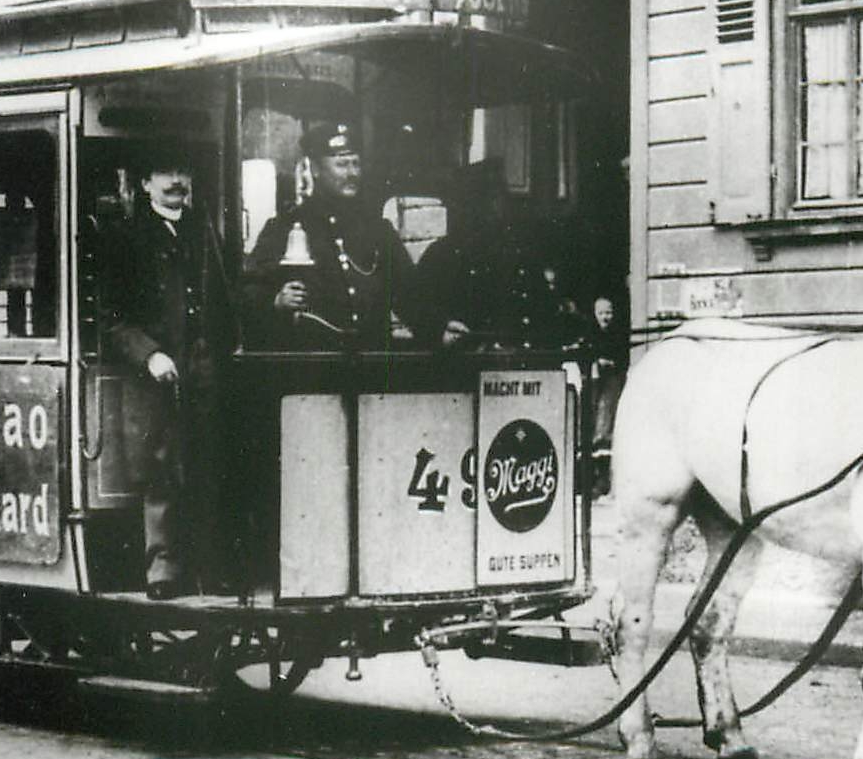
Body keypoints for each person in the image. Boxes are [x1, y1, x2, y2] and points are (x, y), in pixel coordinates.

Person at [102, 152, 233, 599]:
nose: (177, 180)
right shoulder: (125, 238)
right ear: (145, 184)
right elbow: (110, 317)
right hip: (154, 373)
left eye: (183, 171)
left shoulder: (206, 231)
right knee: (161, 467)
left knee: (207, 463)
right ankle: (163, 569)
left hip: (202, 364)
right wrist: (149, 354)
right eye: (166, 172)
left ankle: (210, 568)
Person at [245, 121, 433, 350]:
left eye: (356, 164)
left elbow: (409, 293)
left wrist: (438, 328)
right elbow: (249, 290)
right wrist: (275, 301)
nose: (352, 173)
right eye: (342, 165)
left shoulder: (377, 230)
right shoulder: (285, 227)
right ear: (315, 169)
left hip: (370, 363)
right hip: (312, 367)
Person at [416, 161, 576, 350]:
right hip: (464, 363)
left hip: (516, 363)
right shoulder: (441, 255)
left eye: (499, 197)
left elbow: (540, 310)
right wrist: (441, 330)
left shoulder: (519, 254)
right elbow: (419, 309)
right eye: (488, 198)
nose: (497, 207)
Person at [587, 293, 628, 498]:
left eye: (609, 313)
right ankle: (591, 478)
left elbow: (622, 359)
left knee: (605, 426)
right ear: (595, 314)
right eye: (602, 313)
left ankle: (603, 480)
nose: (606, 317)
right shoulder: (590, 333)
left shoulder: (617, 334)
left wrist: (610, 364)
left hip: (611, 382)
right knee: (591, 425)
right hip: (595, 382)